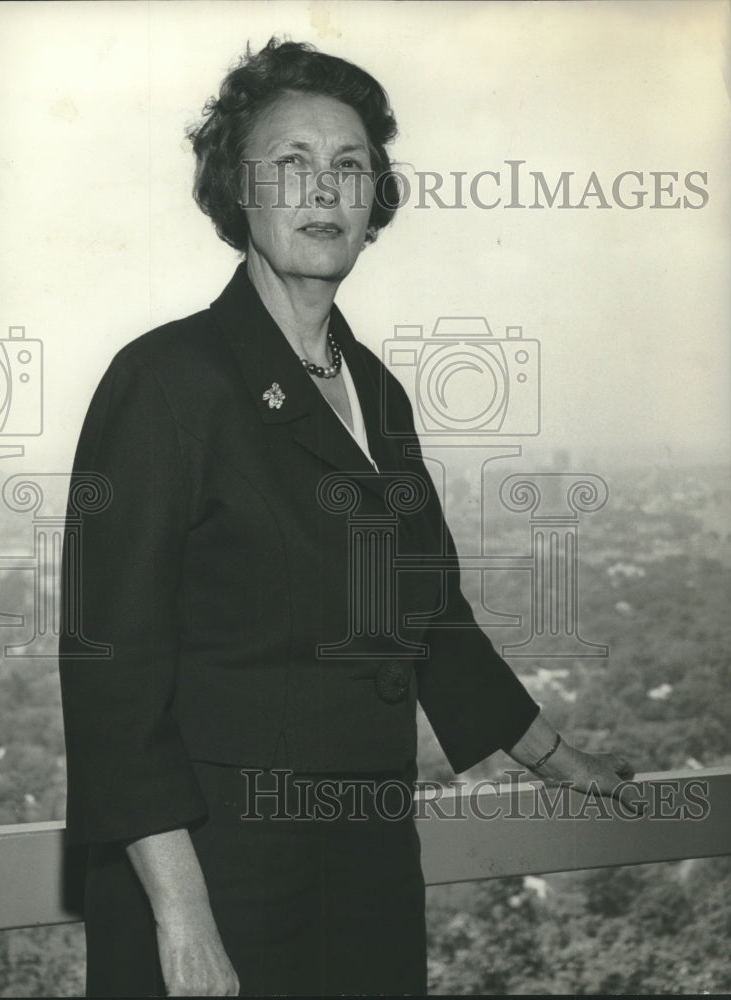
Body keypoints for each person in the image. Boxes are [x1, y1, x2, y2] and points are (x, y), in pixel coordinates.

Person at [59, 38, 639, 998]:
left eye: (350, 167)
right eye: (290, 164)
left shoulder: (374, 389)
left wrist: (558, 758)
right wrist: (184, 919)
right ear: (235, 191)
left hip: (367, 858)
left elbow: (427, 618)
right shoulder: (166, 383)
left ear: (375, 206)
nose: (323, 191)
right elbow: (110, 680)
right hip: (218, 875)